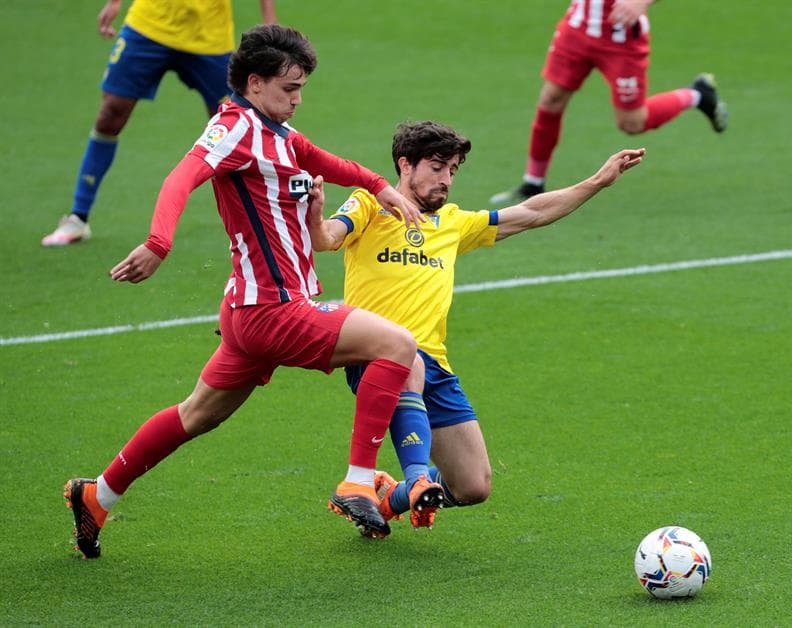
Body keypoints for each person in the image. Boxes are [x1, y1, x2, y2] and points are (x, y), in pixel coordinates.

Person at [63, 24, 429, 559]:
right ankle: (357, 480)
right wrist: (159, 243)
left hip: (251, 310)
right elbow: (180, 178)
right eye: (290, 88)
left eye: (302, 88)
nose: (298, 100)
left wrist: (380, 187)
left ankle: (98, 494)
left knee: (198, 414)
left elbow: (329, 163)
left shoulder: (276, 131)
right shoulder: (232, 128)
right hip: (272, 309)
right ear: (255, 83)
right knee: (398, 345)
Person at [308, 121, 644, 529]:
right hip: (375, 354)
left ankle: (390, 497)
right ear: (405, 165)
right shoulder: (369, 205)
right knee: (406, 356)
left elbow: (532, 212)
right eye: (437, 167)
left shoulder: (452, 222)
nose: (446, 179)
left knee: (472, 486)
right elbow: (326, 239)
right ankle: (415, 478)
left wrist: (597, 181)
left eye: (453, 170)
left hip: (435, 364)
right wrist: (314, 215)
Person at [42, 0, 278, 247]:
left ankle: (264, 218)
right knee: (111, 113)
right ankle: (78, 218)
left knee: (238, 124)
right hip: (149, 24)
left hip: (208, 34)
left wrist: (269, 19)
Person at [490, 0, 725, 206]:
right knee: (551, 100)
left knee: (632, 123)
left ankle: (698, 95)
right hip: (577, 28)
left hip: (621, 38)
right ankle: (533, 183)